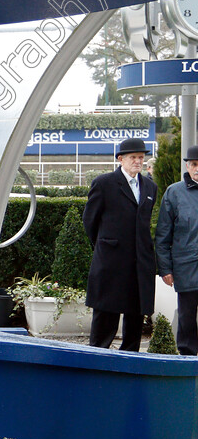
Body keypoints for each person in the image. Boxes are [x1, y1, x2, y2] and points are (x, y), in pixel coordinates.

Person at [83, 138, 157, 351]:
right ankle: (96, 362)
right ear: (120, 159)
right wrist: (105, 247)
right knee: (105, 318)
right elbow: (90, 222)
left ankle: (130, 364)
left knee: (135, 321)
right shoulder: (104, 183)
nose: (138, 161)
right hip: (111, 263)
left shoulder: (150, 186)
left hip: (139, 265)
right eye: (133, 157)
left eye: (141, 158)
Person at [156, 144, 198, 355]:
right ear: (188, 166)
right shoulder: (174, 193)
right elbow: (163, 235)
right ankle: (188, 362)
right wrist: (165, 269)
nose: (197, 169)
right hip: (186, 268)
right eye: (194, 164)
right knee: (187, 319)